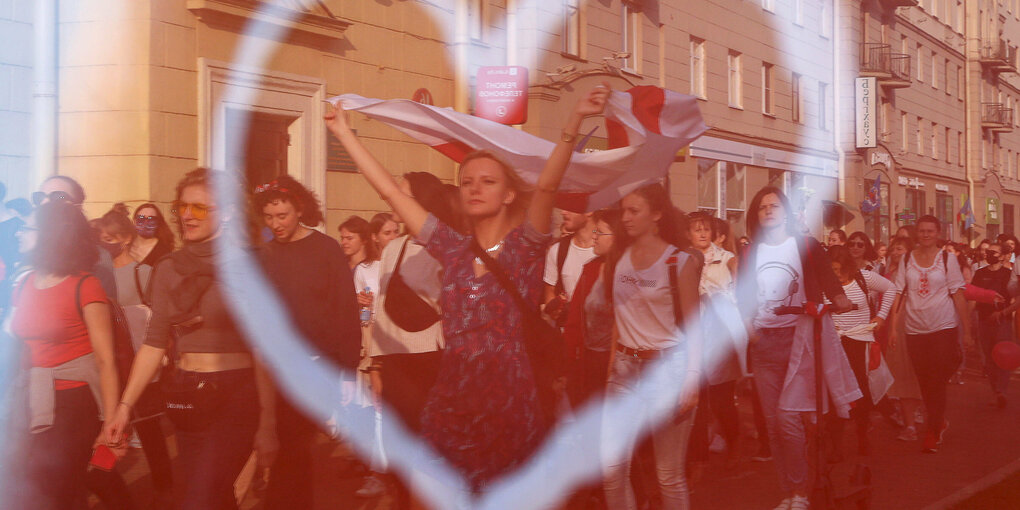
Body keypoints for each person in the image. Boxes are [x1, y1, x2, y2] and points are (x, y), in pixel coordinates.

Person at [326, 83, 609, 490]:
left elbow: (546, 186)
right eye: (467, 181)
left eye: (488, 181)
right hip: (451, 402)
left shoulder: (524, 248)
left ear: (510, 193)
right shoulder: (452, 249)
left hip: (509, 403)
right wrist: (344, 134)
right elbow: (389, 191)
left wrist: (575, 120)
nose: (474, 188)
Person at [105, 168, 279, 508]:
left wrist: (269, 421)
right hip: (187, 394)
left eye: (199, 208)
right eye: (182, 206)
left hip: (236, 395)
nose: (187, 214)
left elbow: (265, 349)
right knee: (211, 495)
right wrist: (125, 407)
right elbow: (154, 342)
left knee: (203, 495)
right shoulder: (169, 267)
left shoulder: (250, 266)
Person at [736, 186, 858, 510]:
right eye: (762, 207)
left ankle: (802, 492)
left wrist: (841, 299)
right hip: (764, 343)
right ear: (756, 215)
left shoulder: (805, 245)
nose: (769, 210)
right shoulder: (750, 252)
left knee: (789, 420)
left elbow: (828, 279)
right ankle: (788, 493)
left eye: (774, 205)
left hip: (799, 340)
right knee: (774, 425)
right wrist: (750, 331)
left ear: (786, 211)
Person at [254, 174, 362, 509]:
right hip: (269, 366)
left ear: (299, 210)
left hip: (315, 366)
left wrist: (346, 372)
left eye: (282, 215)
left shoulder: (326, 248)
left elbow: (346, 310)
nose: (276, 223)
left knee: (293, 446)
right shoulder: (264, 251)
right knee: (285, 449)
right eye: (269, 217)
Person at [8, 200, 120, 510]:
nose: (20, 233)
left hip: (73, 406)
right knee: (30, 486)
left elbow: (105, 360)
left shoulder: (85, 285)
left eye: (29, 227)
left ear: (51, 234)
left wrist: (111, 421)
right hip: (30, 398)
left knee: (59, 489)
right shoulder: (25, 282)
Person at [600, 183, 702, 510]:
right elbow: (619, 318)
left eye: (634, 211)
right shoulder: (617, 258)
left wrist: (692, 380)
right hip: (625, 370)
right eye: (623, 211)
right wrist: (611, 370)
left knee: (667, 473)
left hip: (668, 370)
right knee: (612, 469)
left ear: (656, 214)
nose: (626, 218)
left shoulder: (679, 262)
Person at [368, 172, 453, 509]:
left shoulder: (446, 247)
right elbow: (381, 306)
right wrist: (375, 364)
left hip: (430, 361)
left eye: (403, 195)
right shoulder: (395, 247)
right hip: (395, 362)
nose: (395, 203)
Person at [891, 215, 970, 453]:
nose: (926, 234)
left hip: (943, 327)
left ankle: (932, 431)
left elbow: (957, 293)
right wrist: (893, 327)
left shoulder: (947, 259)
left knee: (936, 379)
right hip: (915, 329)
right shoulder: (906, 259)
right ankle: (940, 421)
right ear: (917, 233)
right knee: (925, 381)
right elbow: (898, 294)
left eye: (930, 231)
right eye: (922, 231)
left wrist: (967, 331)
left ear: (938, 233)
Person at [825, 246, 899, 458]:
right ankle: (836, 446)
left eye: (839, 269)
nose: (836, 274)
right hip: (834, 344)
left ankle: (862, 437)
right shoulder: (825, 284)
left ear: (848, 266)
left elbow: (891, 288)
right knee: (834, 395)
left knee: (862, 394)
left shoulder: (864, 278)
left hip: (859, 342)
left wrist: (882, 317)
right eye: (832, 270)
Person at [686, 211, 743, 470]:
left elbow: (741, 295)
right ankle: (697, 455)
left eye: (706, 229)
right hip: (691, 335)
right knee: (694, 398)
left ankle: (735, 445)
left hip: (719, 333)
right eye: (696, 229)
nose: (701, 233)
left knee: (722, 398)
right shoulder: (681, 259)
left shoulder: (727, 259)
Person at [969, 242, 1018, 408]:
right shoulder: (979, 273)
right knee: (989, 358)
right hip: (983, 319)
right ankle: (994, 391)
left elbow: (1015, 298)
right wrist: (970, 320)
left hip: (1002, 320)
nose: (990, 254)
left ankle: (1001, 391)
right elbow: (972, 295)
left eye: (994, 252)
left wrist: (1004, 312)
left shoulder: (1008, 274)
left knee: (1003, 357)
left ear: (1003, 255)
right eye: (988, 251)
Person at [543, 209, 598, 327]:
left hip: (599, 337)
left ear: (589, 211)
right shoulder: (557, 250)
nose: (563, 212)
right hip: (568, 333)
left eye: (571, 207)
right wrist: (554, 309)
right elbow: (550, 290)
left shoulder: (606, 249)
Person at [129, 203, 175, 268]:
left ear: (158, 223)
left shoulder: (163, 251)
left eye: (151, 219)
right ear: (134, 221)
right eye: (141, 218)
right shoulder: (126, 244)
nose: (146, 222)